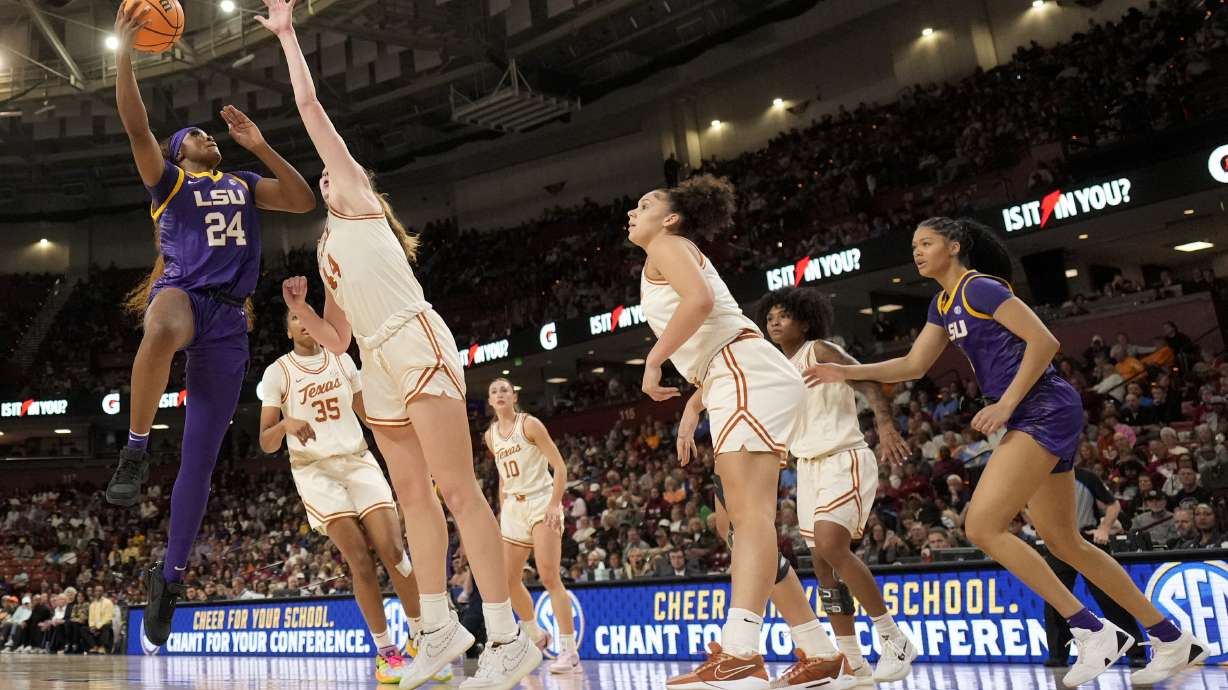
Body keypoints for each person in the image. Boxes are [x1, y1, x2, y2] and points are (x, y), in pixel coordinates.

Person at [256, 3, 540, 688]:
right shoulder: (327, 248)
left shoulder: (356, 197)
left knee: (457, 489)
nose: (325, 174)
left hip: (414, 336)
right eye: (323, 174)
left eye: (328, 168)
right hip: (373, 360)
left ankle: (507, 637)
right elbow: (339, 337)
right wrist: (301, 310)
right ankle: (439, 630)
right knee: (412, 494)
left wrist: (289, 36)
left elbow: (309, 104)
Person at [805, 217, 1210, 686]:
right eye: (913, 245)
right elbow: (914, 365)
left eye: (926, 243)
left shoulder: (981, 289)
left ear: (954, 247)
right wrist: (847, 374)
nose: (916, 252)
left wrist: (1007, 402)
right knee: (1064, 541)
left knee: (981, 525)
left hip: (1042, 407)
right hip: (1029, 414)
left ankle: (1091, 630)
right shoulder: (942, 303)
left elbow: (1046, 341)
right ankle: (1170, 637)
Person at [102, 2, 315, 648]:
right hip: (184, 294)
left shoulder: (247, 183)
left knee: (200, 462)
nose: (206, 135)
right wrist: (125, 53)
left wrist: (260, 144)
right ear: (179, 152)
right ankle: (136, 449)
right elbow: (135, 123)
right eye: (196, 133)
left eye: (209, 134)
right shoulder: (168, 182)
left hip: (230, 322)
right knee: (160, 326)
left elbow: (304, 198)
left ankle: (170, 578)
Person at [630, 174, 806, 690]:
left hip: (744, 373)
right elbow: (719, 328)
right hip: (729, 375)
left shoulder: (667, 243)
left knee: (749, 520)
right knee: (736, 521)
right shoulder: (661, 253)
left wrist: (654, 361)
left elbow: (702, 303)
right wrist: (692, 406)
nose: (631, 212)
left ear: (670, 217)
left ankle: (741, 653)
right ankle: (815, 648)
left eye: (644, 203)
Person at [258, 308, 452, 684]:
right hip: (316, 471)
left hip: (358, 459)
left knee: (393, 550)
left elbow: (369, 414)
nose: (302, 323)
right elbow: (266, 442)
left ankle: (423, 641)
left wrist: (409, 446)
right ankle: (385, 652)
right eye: (294, 319)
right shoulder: (278, 372)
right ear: (288, 332)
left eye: (307, 315)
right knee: (360, 560)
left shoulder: (341, 360)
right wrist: (284, 424)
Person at [752, 286, 919, 684]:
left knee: (830, 544)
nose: (774, 322)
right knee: (823, 570)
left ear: (805, 322)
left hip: (844, 456)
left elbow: (867, 380)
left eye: (783, 316)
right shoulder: (776, 367)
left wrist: (882, 421)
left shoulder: (821, 350)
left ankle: (893, 638)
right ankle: (852, 661)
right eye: (770, 316)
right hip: (808, 467)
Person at [484, 378, 582, 673]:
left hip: (542, 500)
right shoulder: (490, 435)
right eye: (494, 391)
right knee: (508, 580)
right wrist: (503, 510)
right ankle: (536, 636)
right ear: (490, 401)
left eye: (504, 390)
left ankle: (569, 650)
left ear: (513, 396)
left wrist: (555, 503)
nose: (500, 394)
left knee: (549, 576)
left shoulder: (530, 425)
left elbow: (560, 467)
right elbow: (503, 476)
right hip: (514, 506)